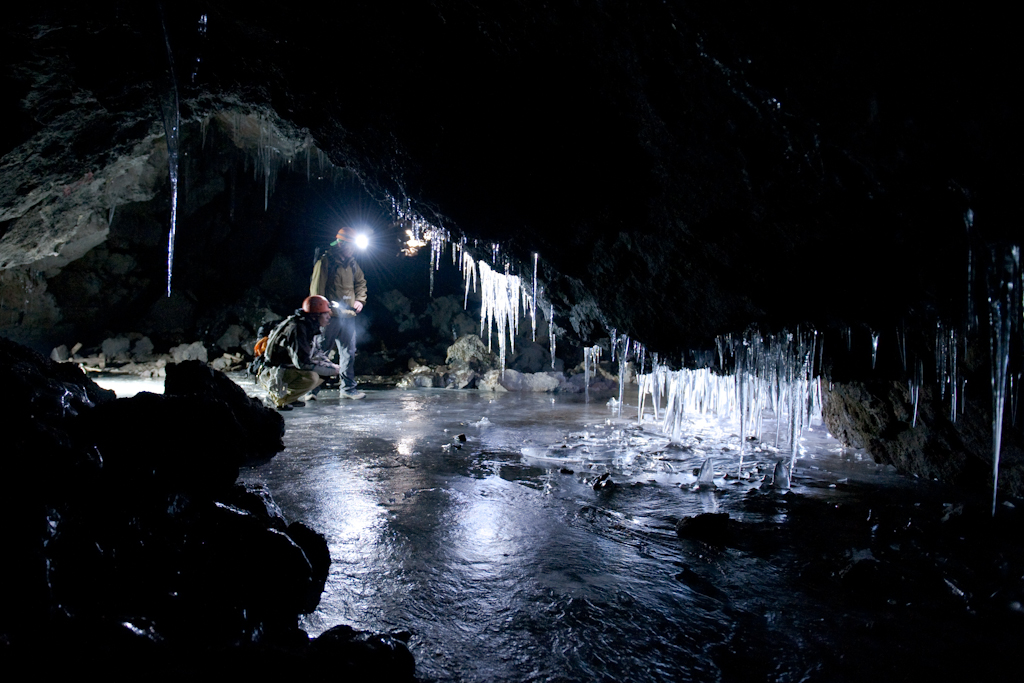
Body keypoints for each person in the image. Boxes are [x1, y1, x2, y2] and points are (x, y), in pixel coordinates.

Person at [310, 227, 368, 399]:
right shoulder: (325, 262)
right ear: (340, 243)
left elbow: (361, 283)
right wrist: (319, 314)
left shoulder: (352, 264)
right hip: (329, 317)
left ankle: (348, 389)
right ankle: (311, 389)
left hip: (348, 317)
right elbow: (316, 290)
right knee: (320, 353)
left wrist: (360, 300)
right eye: (349, 244)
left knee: (349, 353)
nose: (352, 249)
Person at [258, 295, 341, 411]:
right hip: (274, 372)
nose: (329, 316)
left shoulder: (309, 327)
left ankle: (290, 397)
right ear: (315, 315)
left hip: (286, 370)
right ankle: (278, 399)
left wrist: (331, 366)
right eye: (325, 313)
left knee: (324, 374)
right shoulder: (297, 329)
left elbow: (317, 352)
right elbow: (302, 363)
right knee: (312, 377)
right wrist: (330, 369)